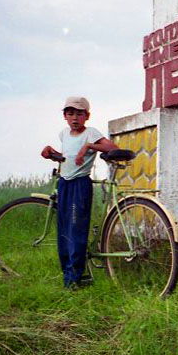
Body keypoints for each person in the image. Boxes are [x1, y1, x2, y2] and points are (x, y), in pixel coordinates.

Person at [41, 96, 118, 289]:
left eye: (79, 113)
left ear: (87, 116)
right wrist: (51, 154)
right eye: (70, 113)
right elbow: (67, 158)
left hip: (79, 185)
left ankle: (75, 278)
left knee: (76, 231)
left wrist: (89, 146)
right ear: (65, 116)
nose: (75, 117)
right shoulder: (64, 134)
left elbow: (112, 147)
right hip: (64, 184)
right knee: (64, 232)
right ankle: (68, 274)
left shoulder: (90, 133)